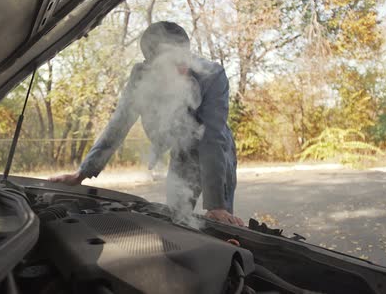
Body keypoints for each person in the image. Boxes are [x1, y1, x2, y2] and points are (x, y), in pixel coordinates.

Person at [50, 21, 244, 226]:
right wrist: (82, 173)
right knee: (175, 218)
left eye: (183, 58)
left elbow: (212, 138)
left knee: (220, 221)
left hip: (217, 150)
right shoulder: (140, 78)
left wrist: (216, 206)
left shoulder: (213, 76)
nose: (182, 67)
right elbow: (119, 123)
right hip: (181, 149)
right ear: (153, 65)